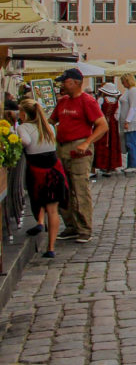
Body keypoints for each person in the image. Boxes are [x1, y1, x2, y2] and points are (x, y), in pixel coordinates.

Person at [50, 68, 107, 244]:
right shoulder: (63, 102)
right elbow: (51, 121)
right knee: (63, 189)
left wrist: (86, 142)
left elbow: (102, 126)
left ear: (75, 82)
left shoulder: (87, 101)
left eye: (65, 82)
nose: (61, 85)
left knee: (79, 188)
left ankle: (84, 228)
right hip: (62, 148)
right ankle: (71, 225)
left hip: (79, 148)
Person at [18, 98, 69, 259]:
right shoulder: (49, 127)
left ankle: (40, 222)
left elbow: (25, 141)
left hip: (37, 170)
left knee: (37, 199)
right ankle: (51, 247)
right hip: (54, 169)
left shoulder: (23, 127)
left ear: (24, 113)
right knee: (53, 210)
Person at [94, 82, 123, 176]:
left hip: (102, 122)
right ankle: (112, 165)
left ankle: (102, 164)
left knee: (102, 142)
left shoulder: (101, 99)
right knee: (112, 143)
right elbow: (117, 115)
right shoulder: (117, 101)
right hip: (113, 124)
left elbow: (97, 112)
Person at [117, 75, 136, 173]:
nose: (123, 84)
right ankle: (130, 164)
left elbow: (133, 107)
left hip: (132, 121)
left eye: (124, 82)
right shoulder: (128, 91)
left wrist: (128, 120)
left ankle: (134, 164)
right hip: (127, 120)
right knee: (128, 143)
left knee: (131, 143)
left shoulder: (133, 91)